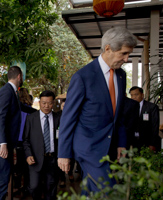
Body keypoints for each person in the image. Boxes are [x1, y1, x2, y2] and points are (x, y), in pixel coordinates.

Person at [57, 27, 137, 194]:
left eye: (128, 54)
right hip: (88, 147)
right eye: (123, 53)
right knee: (108, 191)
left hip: (108, 146)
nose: (126, 59)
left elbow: (119, 114)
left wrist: (122, 143)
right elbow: (68, 117)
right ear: (108, 48)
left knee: (91, 192)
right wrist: (63, 153)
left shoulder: (121, 76)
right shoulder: (82, 77)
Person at [0, 66, 35, 200]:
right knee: (1, 179)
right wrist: (3, 143)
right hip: (0, 143)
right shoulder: (6, 91)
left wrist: (40, 112)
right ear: (19, 76)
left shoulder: (12, 92)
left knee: (4, 177)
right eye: (23, 77)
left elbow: (21, 107)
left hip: (5, 143)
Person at [23, 90, 61, 200]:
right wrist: (28, 155)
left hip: (52, 159)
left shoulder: (58, 118)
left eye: (49, 103)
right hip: (35, 159)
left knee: (51, 189)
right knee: (34, 187)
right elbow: (25, 140)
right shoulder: (31, 118)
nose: (46, 106)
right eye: (44, 103)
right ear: (39, 102)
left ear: (53, 103)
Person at [129, 86, 160, 151]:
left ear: (142, 95)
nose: (134, 97)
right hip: (132, 142)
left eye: (136, 94)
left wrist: (152, 143)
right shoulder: (128, 107)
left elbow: (155, 126)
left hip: (146, 142)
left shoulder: (152, 107)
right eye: (132, 95)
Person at [15, 88, 33, 195]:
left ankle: (17, 187)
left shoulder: (16, 109)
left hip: (17, 140)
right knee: (27, 166)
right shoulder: (30, 110)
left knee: (19, 164)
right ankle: (26, 187)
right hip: (27, 140)